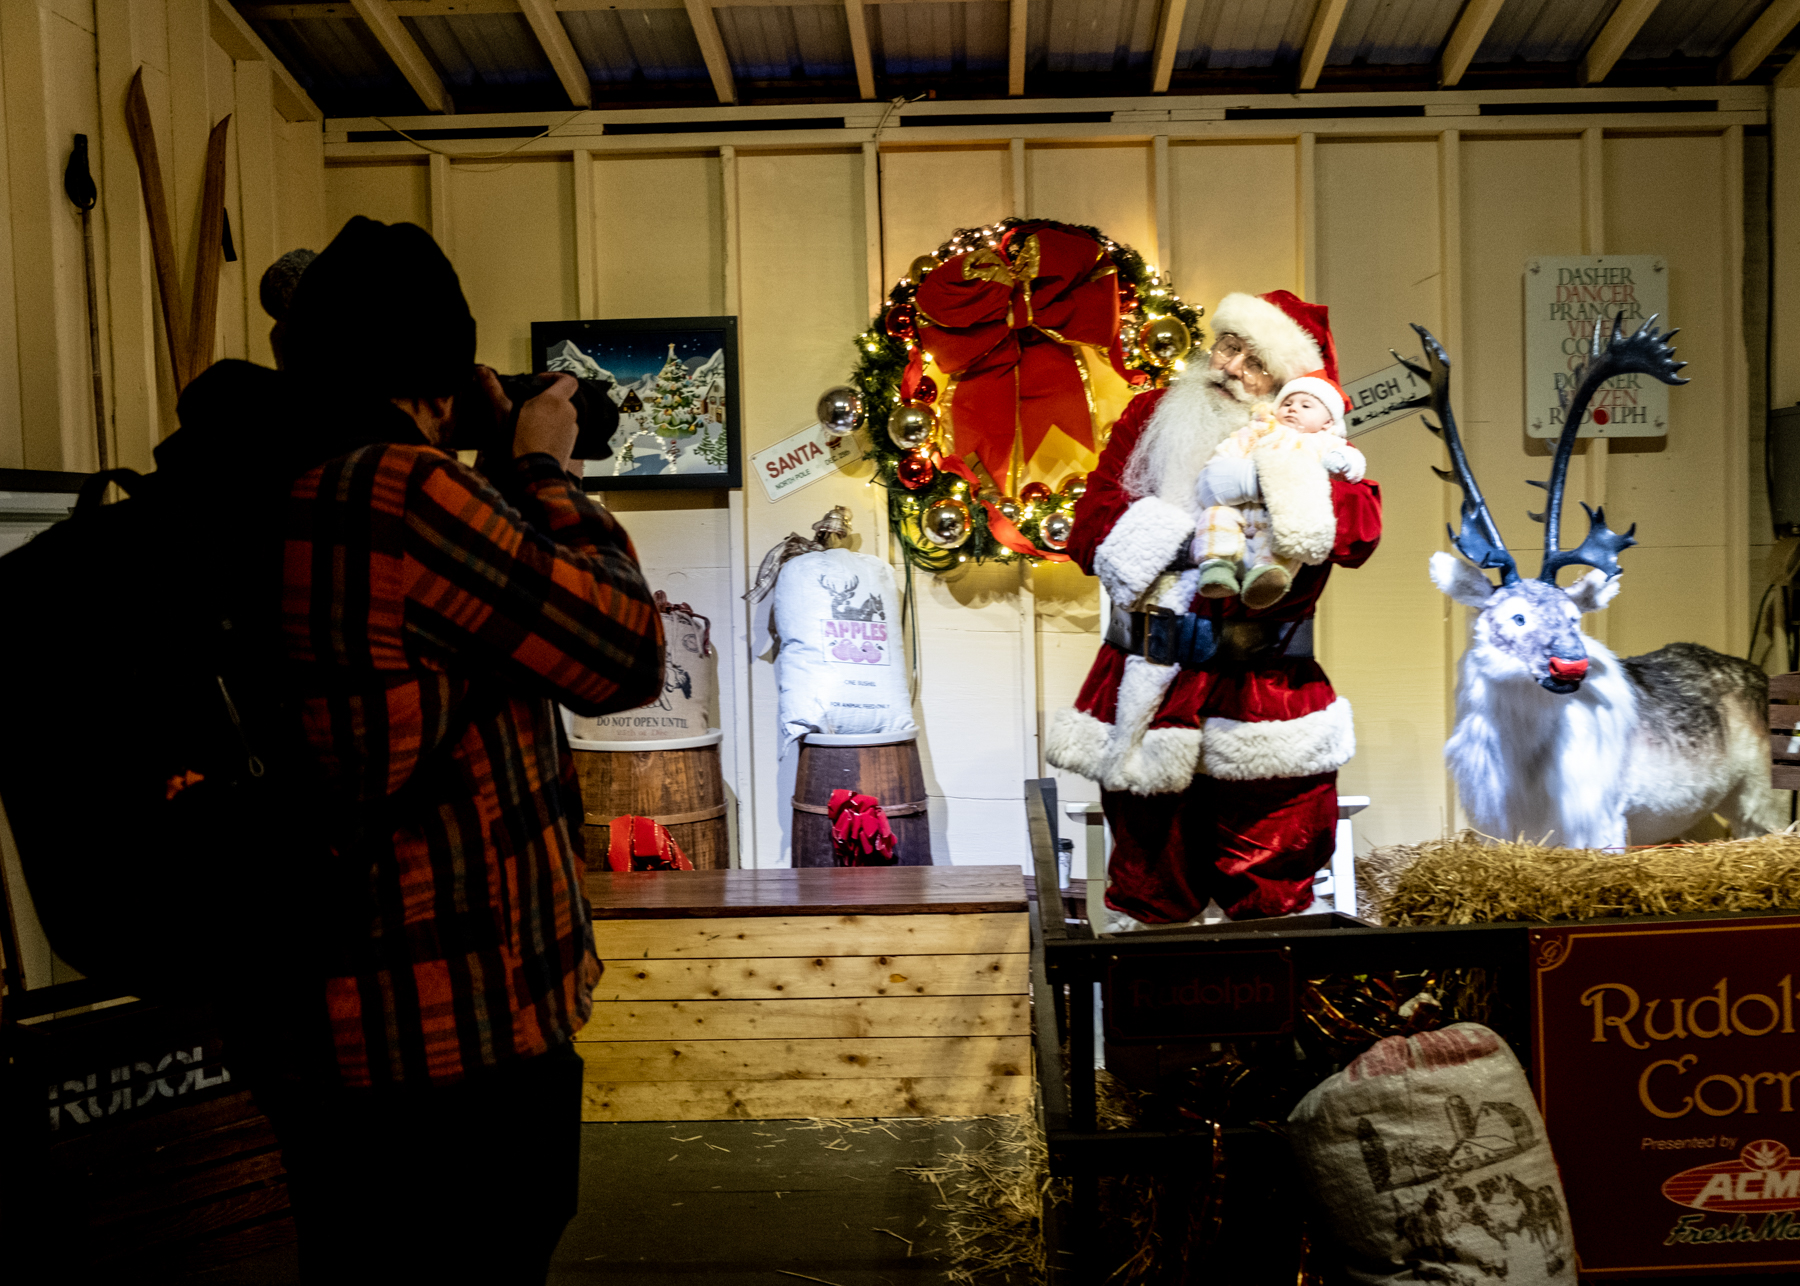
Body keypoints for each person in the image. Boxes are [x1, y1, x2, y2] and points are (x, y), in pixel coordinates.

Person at [243, 217, 664, 1282]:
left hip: (326, 1022)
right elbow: (624, 651)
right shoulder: (400, 494)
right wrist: (539, 463)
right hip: (448, 1032)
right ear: (435, 375)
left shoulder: (285, 479)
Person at [1045, 290, 1382, 928]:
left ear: (1290, 389)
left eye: (1255, 362)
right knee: (1149, 882)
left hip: (1261, 691)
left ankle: (1268, 1022)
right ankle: (1155, 1022)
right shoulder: (1153, 415)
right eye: (1227, 346)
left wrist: (1280, 481)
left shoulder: (1308, 443)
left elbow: (1359, 533)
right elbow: (1089, 532)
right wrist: (1186, 528)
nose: (1229, 367)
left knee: (1271, 892)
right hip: (1148, 682)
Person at [1193, 371, 1365, 608]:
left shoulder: (1326, 443)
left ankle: (1267, 578)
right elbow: (1227, 453)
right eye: (1287, 403)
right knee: (1214, 517)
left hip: (1278, 515)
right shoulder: (1257, 430)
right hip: (1241, 509)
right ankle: (1216, 568)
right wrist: (1223, 467)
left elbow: (1352, 464)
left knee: (1283, 541)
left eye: (1306, 405)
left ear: (1328, 422)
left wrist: (1342, 464)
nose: (1293, 409)